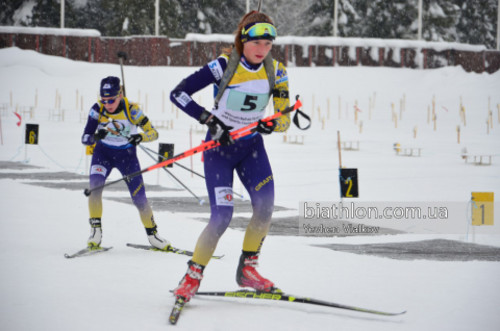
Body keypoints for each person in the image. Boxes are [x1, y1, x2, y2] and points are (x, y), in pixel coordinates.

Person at [170, 11, 290, 302]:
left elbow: (284, 118)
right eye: (257, 43)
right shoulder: (224, 66)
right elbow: (178, 94)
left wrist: (272, 123)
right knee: (222, 216)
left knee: (265, 207)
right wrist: (210, 120)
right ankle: (192, 275)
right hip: (218, 151)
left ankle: (248, 269)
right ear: (243, 39)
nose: (263, 50)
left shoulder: (277, 70)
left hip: (251, 149)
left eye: (268, 44)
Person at [81, 76, 170, 250]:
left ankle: (153, 235)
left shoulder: (132, 111)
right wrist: (95, 137)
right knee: (95, 187)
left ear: (120, 95)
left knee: (139, 198)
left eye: (111, 100)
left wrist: (140, 137)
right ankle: (95, 232)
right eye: (104, 100)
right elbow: (85, 138)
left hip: (127, 157)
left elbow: (153, 133)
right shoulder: (97, 110)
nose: (107, 104)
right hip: (103, 154)